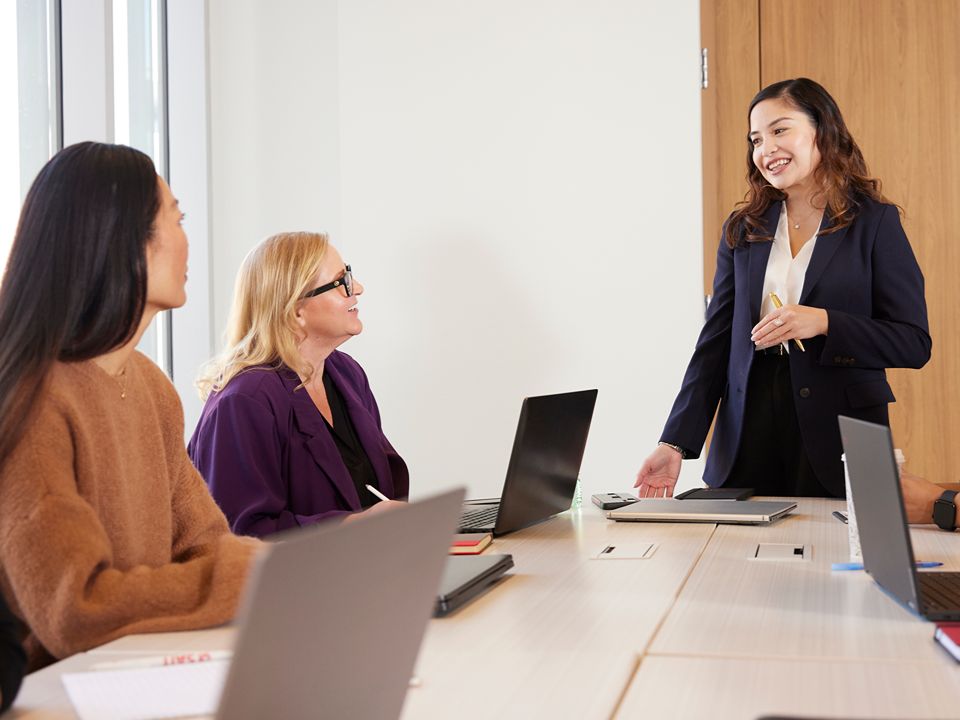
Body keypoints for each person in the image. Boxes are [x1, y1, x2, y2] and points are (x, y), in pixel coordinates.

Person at [0, 142, 261, 671]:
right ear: (126, 241)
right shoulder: (33, 397)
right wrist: (255, 571)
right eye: (177, 218)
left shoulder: (150, 385)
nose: (188, 240)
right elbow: (76, 608)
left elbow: (205, 545)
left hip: (137, 673)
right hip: (59, 696)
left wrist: (265, 570)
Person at [636, 78, 931, 499]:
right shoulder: (743, 229)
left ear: (821, 131)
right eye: (756, 139)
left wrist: (824, 322)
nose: (765, 149)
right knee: (735, 564)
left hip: (841, 436)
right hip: (747, 433)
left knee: (831, 560)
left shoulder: (875, 223)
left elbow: (913, 342)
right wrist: (675, 443)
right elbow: (716, 343)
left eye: (780, 130)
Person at [189, 232, 408, 537]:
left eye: (351, 275)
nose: (357, 288)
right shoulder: (244, 401)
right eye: (341, 281)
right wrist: (352, 526)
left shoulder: (346, 373)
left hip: (364, 572)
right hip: (290, 584)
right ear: (295, 310)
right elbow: (242, 537)